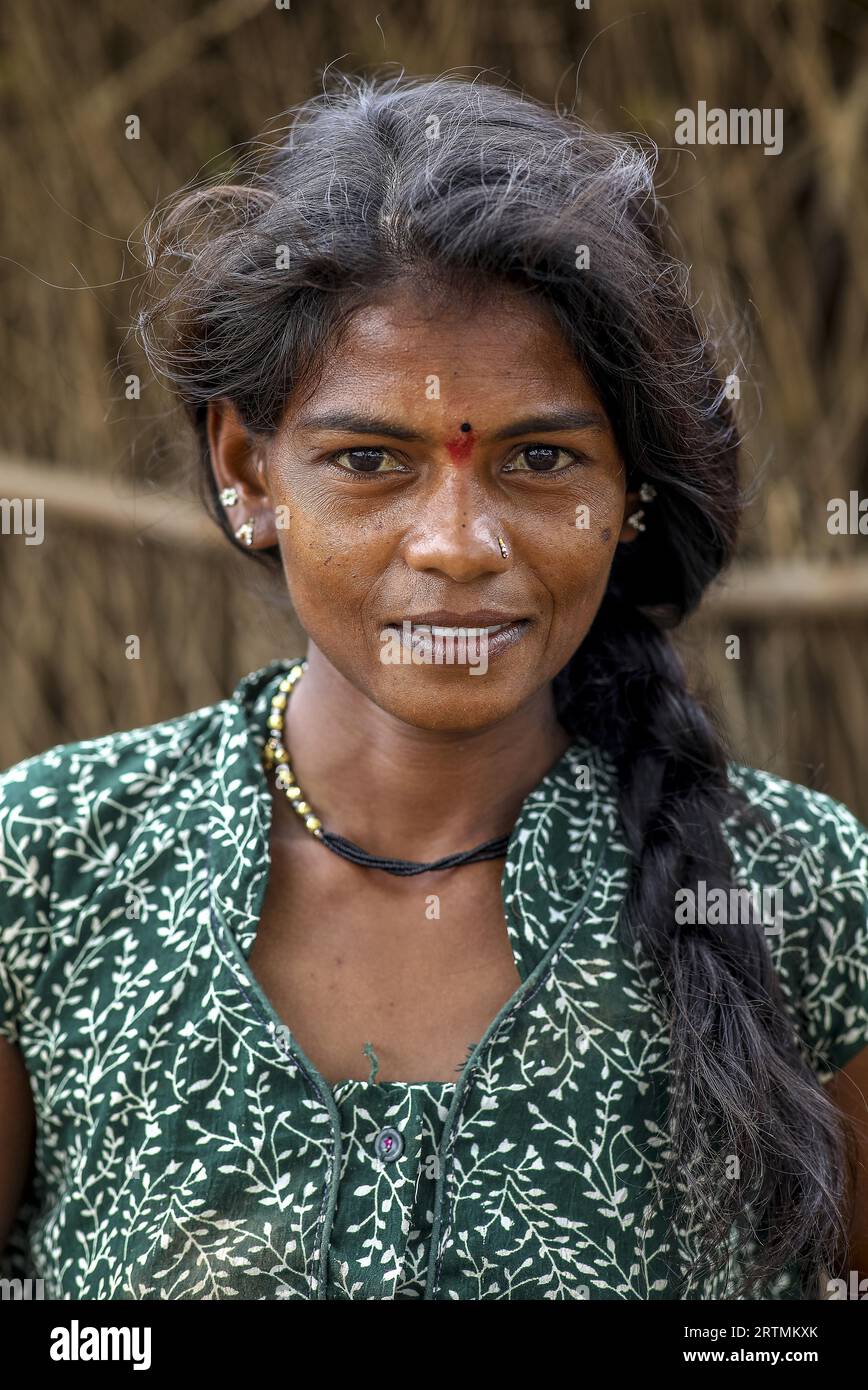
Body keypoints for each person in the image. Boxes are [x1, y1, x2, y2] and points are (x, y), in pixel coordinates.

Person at [1, 73, 866, 1301]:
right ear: (248, 469)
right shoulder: (49, 865)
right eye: (368, 461)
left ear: (628, 493)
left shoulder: (798, 890)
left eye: (540, 458)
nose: (456, 544)